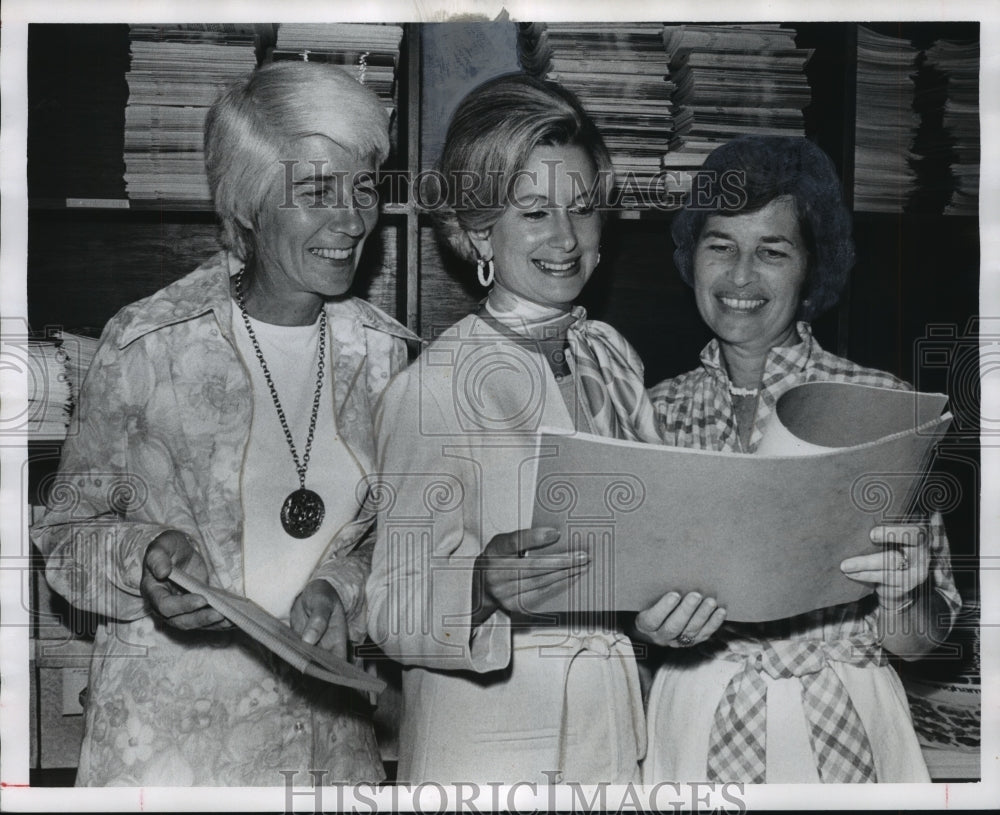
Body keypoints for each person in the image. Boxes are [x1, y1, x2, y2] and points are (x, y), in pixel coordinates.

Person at [31, 61, 418, 786]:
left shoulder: (386, 352)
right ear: (247, 203)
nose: (352, 219)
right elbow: (65, 538)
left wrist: (341, 589)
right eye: (315, 192)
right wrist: (143, 557)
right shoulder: (147, 342)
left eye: (364, 186)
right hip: (170, 757)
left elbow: (398, 543)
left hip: (327, 757)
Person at [366, 73, 724, 785]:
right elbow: (388, 607)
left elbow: (643, 547)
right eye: (533, 211)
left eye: (583, 207)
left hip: (615, 740)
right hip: (486, 753)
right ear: (477, 231)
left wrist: (663, 612)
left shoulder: (613, 357)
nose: (565, 238)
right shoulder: (433, 385)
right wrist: (480, 585)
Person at [640, 135, 961, 783]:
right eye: (720, 244)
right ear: (691, 257)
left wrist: (908, 593)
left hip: (846, 719)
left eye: (772, 250)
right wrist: (649, 627)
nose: (739, 275)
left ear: (811, 266)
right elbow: (631, 624)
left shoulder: (880, 408)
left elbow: (926, 639)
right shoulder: (647, 415)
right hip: (696, 719)